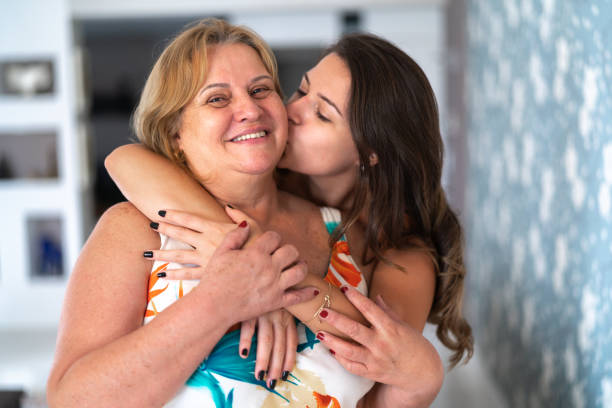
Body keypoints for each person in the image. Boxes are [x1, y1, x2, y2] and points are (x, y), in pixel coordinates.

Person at [106, 22, 473, 407]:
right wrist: (243, 255)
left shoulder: (400, 249)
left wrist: (269, 284)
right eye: (301, 89)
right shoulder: (264, 176)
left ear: (368, 153)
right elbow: (125, 158)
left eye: (322, 114)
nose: (291, 110)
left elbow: (375, 346)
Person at [46, 19, 378, 408]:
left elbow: (382, 372)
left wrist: (274, 280)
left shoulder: (343, 233)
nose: (250, 109)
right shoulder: (138, 231)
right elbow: (71, 400)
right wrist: (223, 300)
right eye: (217, 99)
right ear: (175, 133)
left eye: (260, 90)